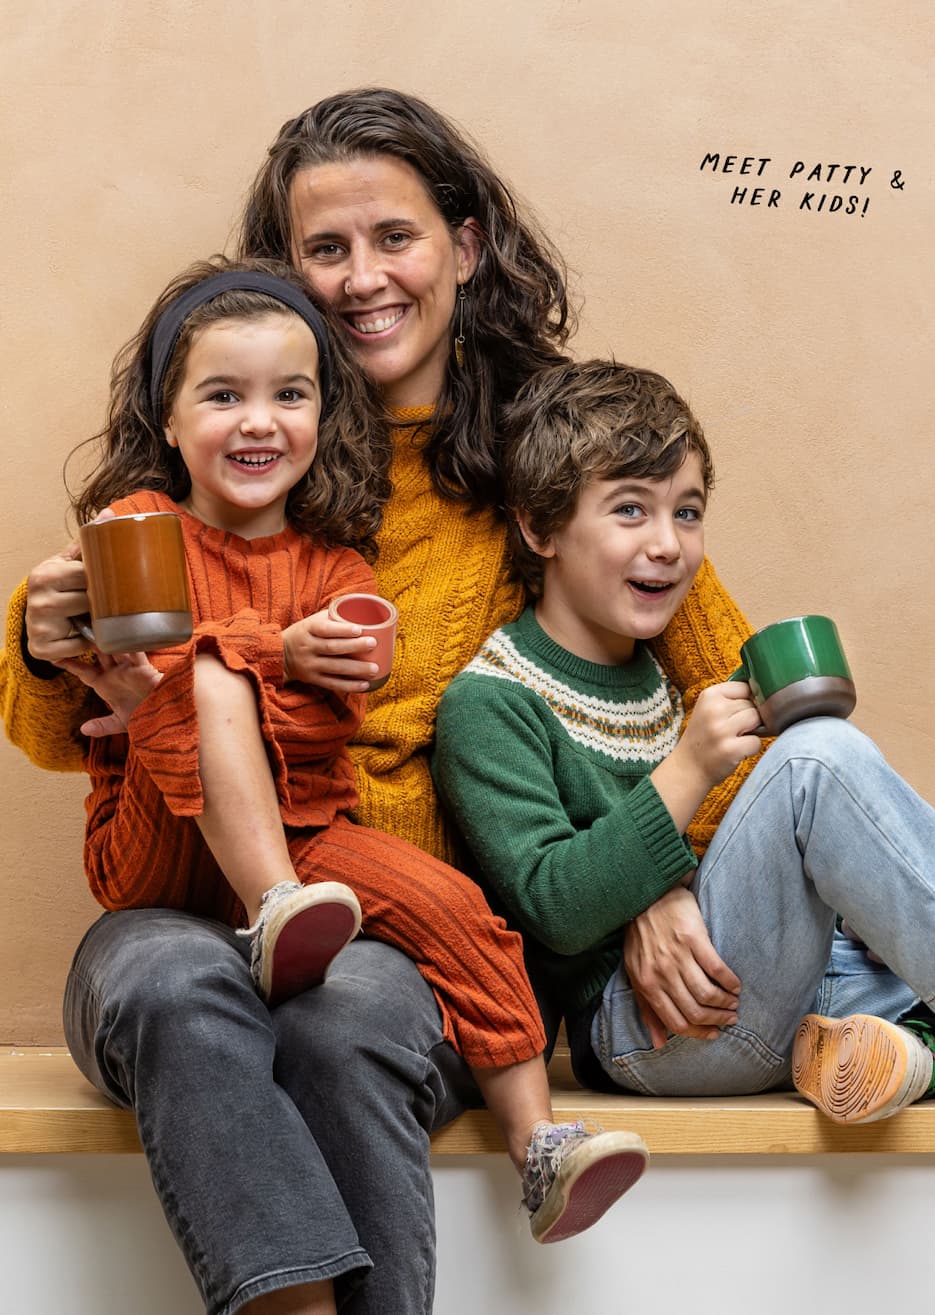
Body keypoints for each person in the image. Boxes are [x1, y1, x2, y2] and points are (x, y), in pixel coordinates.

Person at [1, 90, 680, 1314]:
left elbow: (711, 671)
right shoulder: (163, 507)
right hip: (168, 887)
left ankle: (527, 1146)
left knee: (347, 1007)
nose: (364, 277)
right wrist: (42, 641)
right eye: (326, 248)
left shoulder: (545, 463)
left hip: (371, 912)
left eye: (395, 237)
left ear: (464, 247)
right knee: (174, 979)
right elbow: (75, 731)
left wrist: (658, 874)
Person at [431, 357, 935, 1122]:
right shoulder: (489, 702)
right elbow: (553, 907)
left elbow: (759, 879)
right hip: (655, 1028)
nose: (668, 543)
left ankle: (925, 1051)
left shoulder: (657, 677)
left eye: (687, 512)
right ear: (539, 525)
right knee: (816, 752)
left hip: (784, 985)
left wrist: (868, 910)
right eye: (630, 510)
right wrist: (690, 766)